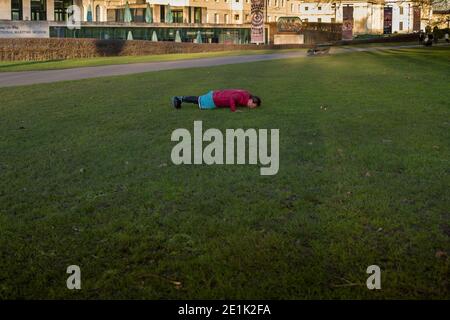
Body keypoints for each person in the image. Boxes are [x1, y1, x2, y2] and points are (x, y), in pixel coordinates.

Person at [172, 89, 261, 112]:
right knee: (198, 100)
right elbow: (233, 98)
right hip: (216, 98)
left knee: (198, 99)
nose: (252, 107)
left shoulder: (246, 95)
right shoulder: (243, 97)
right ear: (252, 100)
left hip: (218, 95)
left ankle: (180, 99)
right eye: (253, 106)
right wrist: (234, 110)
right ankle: (179, 98)